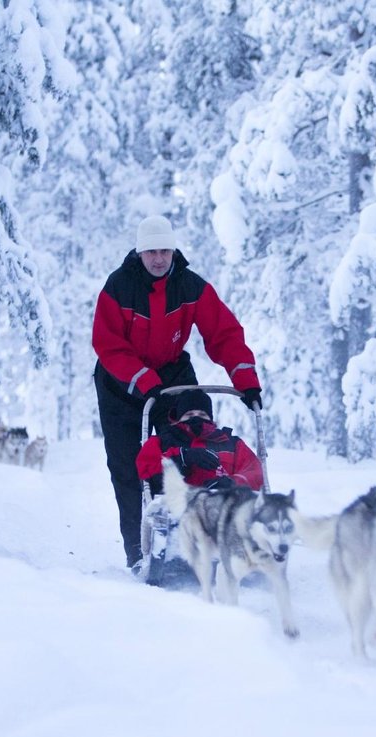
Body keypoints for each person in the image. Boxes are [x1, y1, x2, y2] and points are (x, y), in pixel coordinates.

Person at [92, 214, 263, 569]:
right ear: (140, 253)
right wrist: (142, 379)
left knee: (184, 450)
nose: (158, 259)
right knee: (129, 467)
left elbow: (224, 333)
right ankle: (139, 551)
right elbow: (107, 344)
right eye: (151, 252)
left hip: (171, 373)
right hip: (120, 382)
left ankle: (193, 533)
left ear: (173, 252)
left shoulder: (190, 286)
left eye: (164, 252)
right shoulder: (119, 287)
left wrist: (244, 378)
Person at [135, 388, 264, 495]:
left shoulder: (231, 444)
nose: (196, 418)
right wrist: (181, 458)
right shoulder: (161, 442)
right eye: (189, 415)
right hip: (175, 511)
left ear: (211, 418)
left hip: (224, 510)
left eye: (202, 415)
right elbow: (148, 472)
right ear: (178, 419)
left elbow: (255, 473)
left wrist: (232, 483)